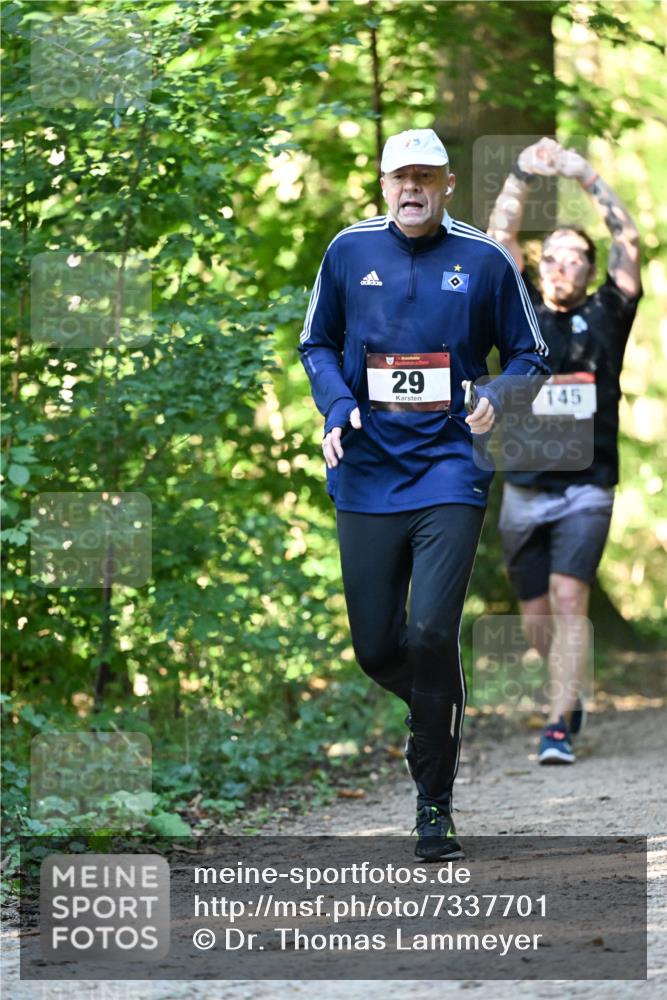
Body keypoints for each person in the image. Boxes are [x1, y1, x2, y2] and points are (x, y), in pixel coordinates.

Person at [299, 128, 549, 860]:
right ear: (383, 185)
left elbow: (531, 354)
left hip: (449, 467)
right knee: (377, 649)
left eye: (425, 177)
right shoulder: (348, 251)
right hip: (367, 469)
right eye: (398, 178)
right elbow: (316, 343)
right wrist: (336, 404)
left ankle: (432, 805)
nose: (411, 189)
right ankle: (435, 709)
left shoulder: (483, 258)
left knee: (433, 634)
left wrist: (497, 397)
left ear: (445, 184)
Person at [487, 137, 642, 765]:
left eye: (576, 258)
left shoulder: (609, 311)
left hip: (587, 484)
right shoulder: (519, 307)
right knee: (534, 616)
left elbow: (628, 240)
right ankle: (567, 690)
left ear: (588, 269)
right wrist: (522, 173)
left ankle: (558, 724)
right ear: (540, 262)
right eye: (552, 256)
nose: (562, 266)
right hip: (523, 488)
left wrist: (583, 174)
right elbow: (500, 239)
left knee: (570, 594)